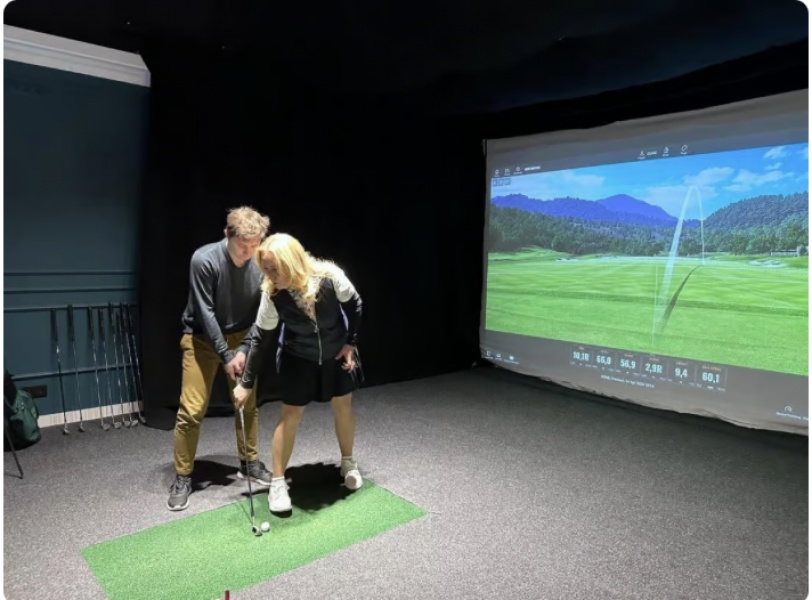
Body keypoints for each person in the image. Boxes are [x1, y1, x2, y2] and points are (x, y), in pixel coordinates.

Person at [233, 233, 363, 513]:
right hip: (298, 355)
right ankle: (278, 483)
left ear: (292, 262)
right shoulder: (272, 293)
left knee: (343, 405)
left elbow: (355, 305)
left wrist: (350, 342)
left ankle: (348, 462)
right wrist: (246, 383)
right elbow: (260, 338)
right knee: (290, 413)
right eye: (266, 269)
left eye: (274, 268)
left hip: (335, 351)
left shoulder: (329, 277)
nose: (269, 275)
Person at [167, 206, 273, 511]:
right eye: (243, 245)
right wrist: (226, 355)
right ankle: (183, 476)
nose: (249, 252)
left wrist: (244, 349)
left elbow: (264, 312)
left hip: (242, 337)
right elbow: (206, 312)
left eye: (255, 245)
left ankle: (249, 463)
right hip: (201, 338)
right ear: (227, 234)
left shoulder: (261, 261)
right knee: (191, 410)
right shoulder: (204, 260)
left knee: (247, 403)